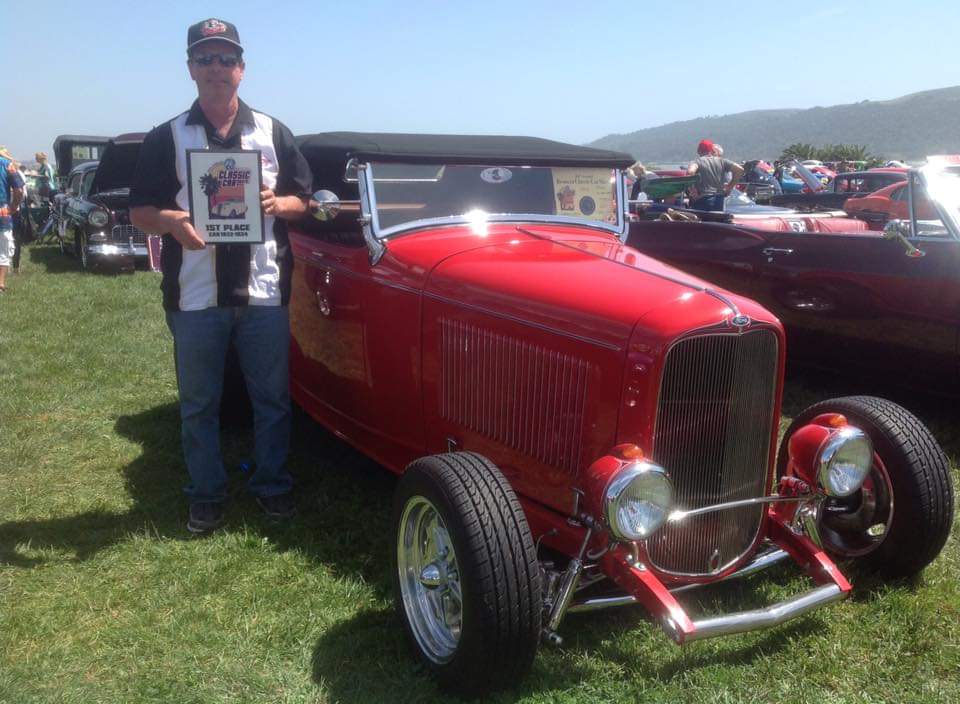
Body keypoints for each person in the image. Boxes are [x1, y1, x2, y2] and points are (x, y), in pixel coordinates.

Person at [130, 18, 313, 534]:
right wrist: (171, 222)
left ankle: (272, 484)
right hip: (195, 293)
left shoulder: (273, 132)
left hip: (263, 290)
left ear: (242, 69)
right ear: (190, 68)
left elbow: (305, 199)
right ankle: (206, 493)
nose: (217, 67)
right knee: (199, 402)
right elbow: (139, 210)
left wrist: (282, 201)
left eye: (226, 58)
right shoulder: (166, 137)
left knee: (272, 399)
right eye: (206, 58)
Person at [686, 139, 743, 211]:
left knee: (703, 221)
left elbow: (690, 172)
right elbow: (739, 169)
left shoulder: (697, 162)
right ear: (711, 150)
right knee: (717, 221)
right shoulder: (722, 161)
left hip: (702, 200)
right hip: (719, 200)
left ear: (699, 151)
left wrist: (693, 190)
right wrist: (730, 187)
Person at [0, 147, 25, 292]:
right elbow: (19, 189)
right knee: (3, 249)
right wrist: (14, 206)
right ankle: (0, 284)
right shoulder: (7, 165)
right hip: (3, 213)